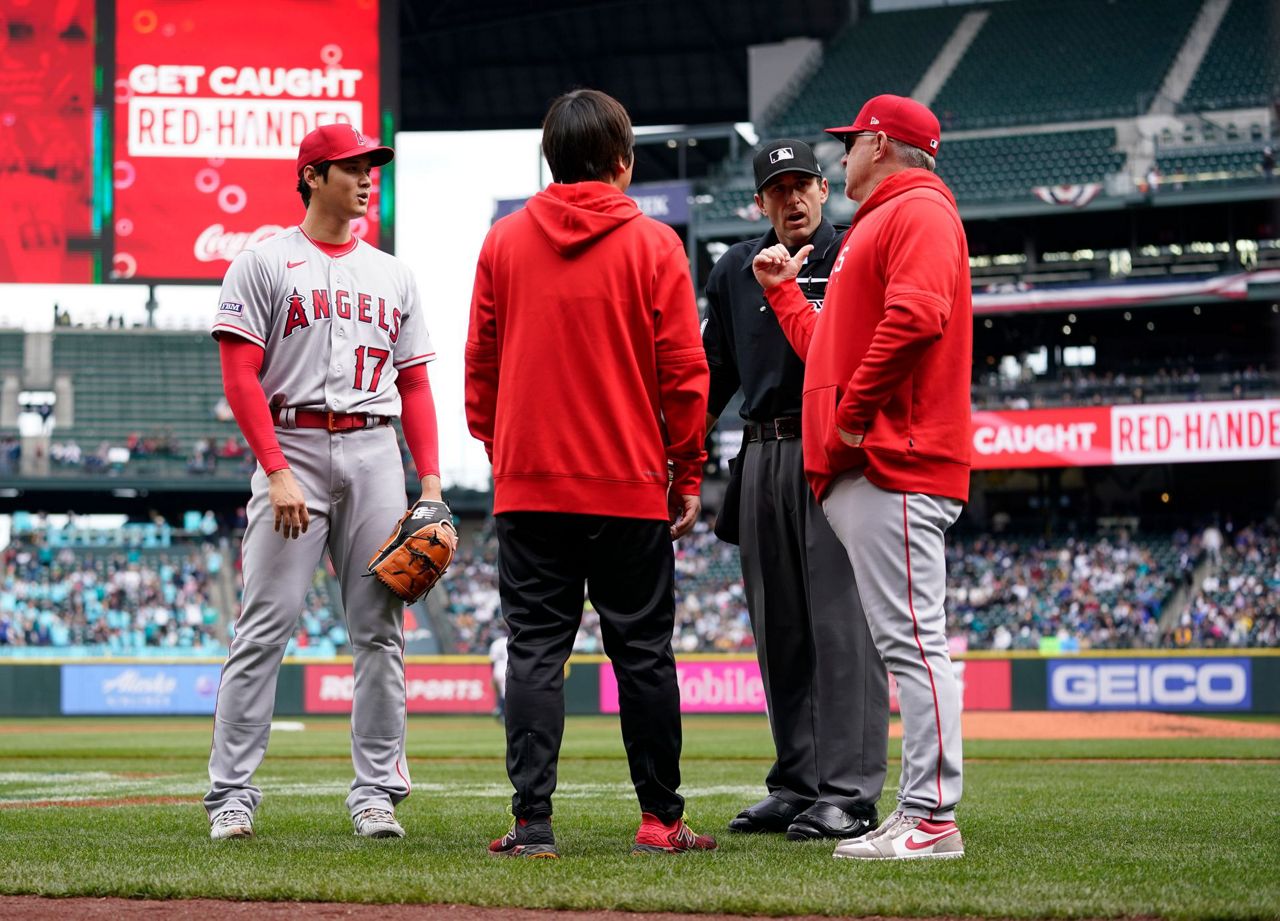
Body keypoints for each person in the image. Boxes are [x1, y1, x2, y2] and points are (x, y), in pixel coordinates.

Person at [465, 88, 714, 859]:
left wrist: (501, 449)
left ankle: (533, 823)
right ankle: (659, 819)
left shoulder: (503, 242)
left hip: (532, 484)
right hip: (630, 485)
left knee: (535, 648)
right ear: (622, 162)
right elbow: (684, 371)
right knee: (642, 653)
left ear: (551, 160)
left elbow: (481, 367)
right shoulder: (655, 245)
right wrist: (689, 472)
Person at [204, 123, 451, 842]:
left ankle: (376, 791)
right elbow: (239, 373)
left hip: (376, 451)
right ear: (313, 175)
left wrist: (429, 481)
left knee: (380, 629)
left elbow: (415, 383)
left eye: (371, 165)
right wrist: (275, 468)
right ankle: (231, 793)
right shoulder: (263, 262)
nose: (367, 176)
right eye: (352, 166)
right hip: (295, 445)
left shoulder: (394, 273)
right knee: (264, 628)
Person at [752, 94, 972, 861]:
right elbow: (832, 353)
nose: (842, 155)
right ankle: (920, 813)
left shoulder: (918, 210)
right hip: (867, 460)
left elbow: (916, 318)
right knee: (904, 639)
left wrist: (852, 416)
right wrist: (783, 293)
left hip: (892, 457)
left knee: (913, 643)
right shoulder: (887, 219)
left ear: (880, 143)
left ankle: (933, 819)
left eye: (849, 143)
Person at [702, 138, 888, 841]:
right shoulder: (734, 270)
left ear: (823, 187)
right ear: (760, 202)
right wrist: (676, 456)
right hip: (760, 452)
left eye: (803, 183)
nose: (793, 198)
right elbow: (713, 376)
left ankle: (850, 790)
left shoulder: (857, 252)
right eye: (777, 189)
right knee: (778, 631)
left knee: (842, 630)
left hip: (832, 448)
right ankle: (798, 783)